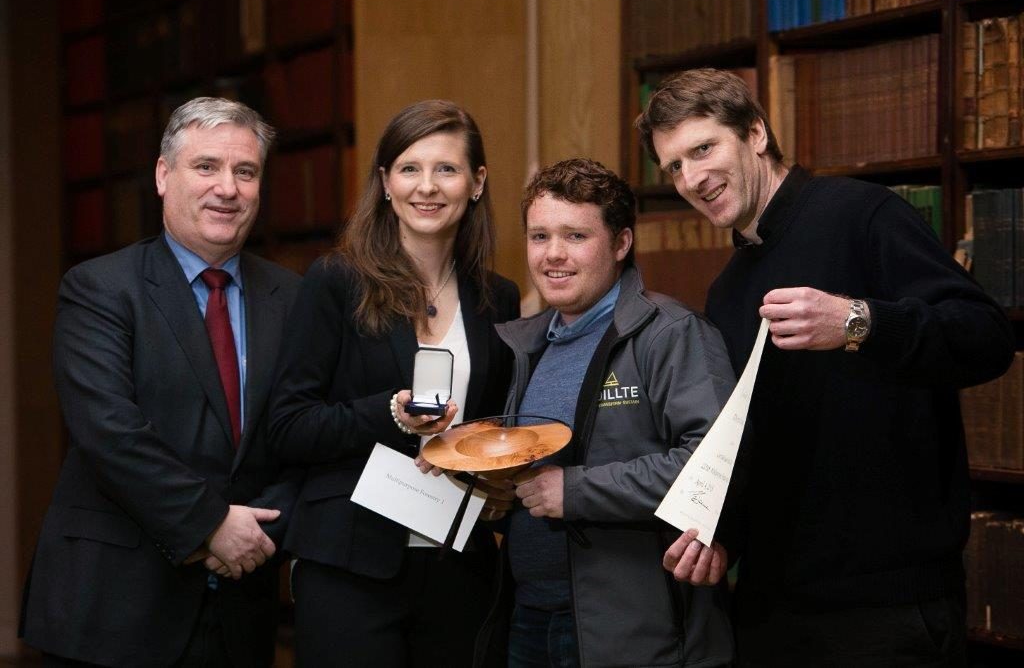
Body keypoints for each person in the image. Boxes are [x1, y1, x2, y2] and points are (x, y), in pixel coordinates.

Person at [638, 68, 1016, 666]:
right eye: (674, 166)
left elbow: (986, 337)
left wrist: (858, 321)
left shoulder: (863, 214)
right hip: (771, 605)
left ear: (756, 133)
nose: (692, 178)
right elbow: (756, 437)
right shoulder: (727, 291)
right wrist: (721, 532)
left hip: (887, 608)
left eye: (703, 148)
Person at [19, 97, 302, 666]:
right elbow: (109, 431)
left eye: (245, 172)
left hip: (240, 611)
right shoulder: (99, 288)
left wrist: (259, 532)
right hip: (114, 608)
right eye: (206, 167)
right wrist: (212, 524)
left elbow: (306, 431)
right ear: (162, 175)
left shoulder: (294, 299)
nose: (228, 188)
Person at [268, 99, 520, 667]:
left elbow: (493, 423)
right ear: (385, 182)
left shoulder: (496, 297)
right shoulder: (336, 282)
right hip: (350, 564)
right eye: (409, 168)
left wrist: (481, 459)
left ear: (477, 182)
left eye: (447, 169)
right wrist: (388, 414)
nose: (427, 187)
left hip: (460, 559)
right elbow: (287, 425)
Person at [474, 158, 736, 667]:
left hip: (628, 628)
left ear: (620, 244)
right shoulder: (525, 345)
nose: (552, 255)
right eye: (539, 236)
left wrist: (574, 490)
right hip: (529, 616)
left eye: (575, 236)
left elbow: (711, 470)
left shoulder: (671, 333)